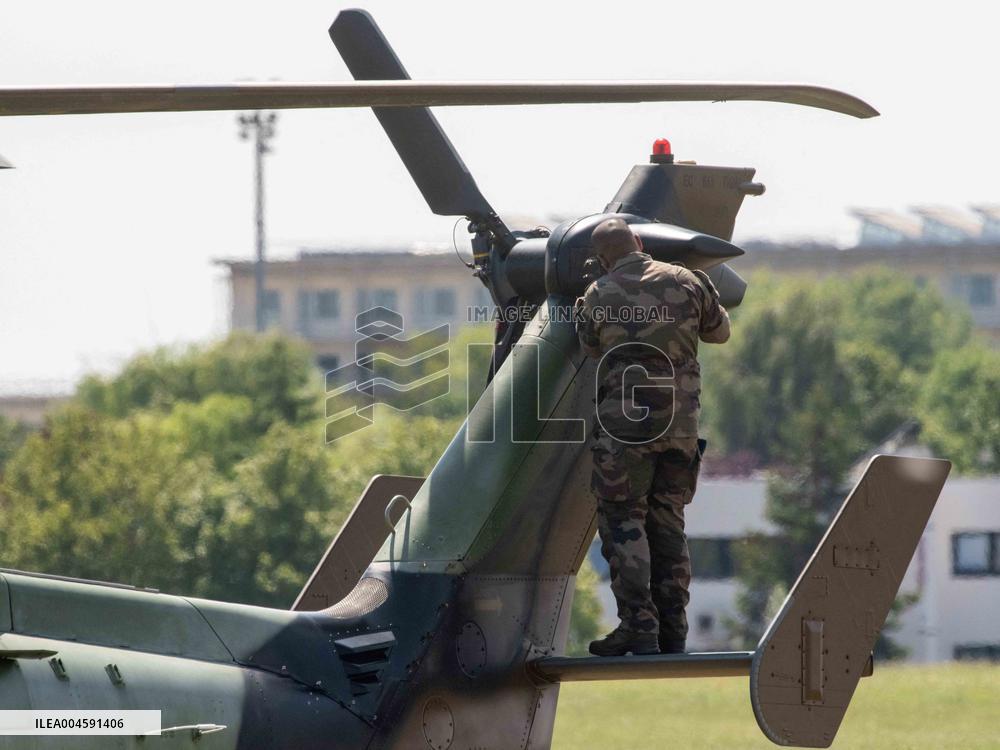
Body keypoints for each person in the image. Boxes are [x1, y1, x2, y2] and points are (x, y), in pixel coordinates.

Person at [576, 217, 731, 657]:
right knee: (668, 523)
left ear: (601, 259)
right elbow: (720, 333)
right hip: (680, 426)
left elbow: (589, 347)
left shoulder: (597, 295)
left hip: (625, 429)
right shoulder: (685, 280)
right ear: (639, 242)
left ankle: (639, 628)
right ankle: (673, 631)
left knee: (624, 522)